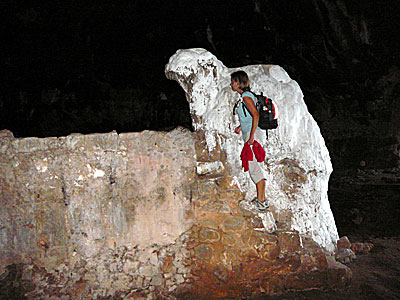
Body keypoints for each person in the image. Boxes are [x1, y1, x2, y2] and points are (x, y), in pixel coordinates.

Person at [230, 70, 268, 211]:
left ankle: (262, 201)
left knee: (253, 168)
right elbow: (250, 117)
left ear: (239, 83)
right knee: (253, 166)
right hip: (249, 132)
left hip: (252, 135)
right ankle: (261, 199)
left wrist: (251, 136)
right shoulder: (246, 96)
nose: (231, 84)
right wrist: (242, 126)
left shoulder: (246, 97)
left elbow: (256, 115)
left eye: (233, 81)